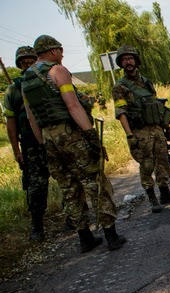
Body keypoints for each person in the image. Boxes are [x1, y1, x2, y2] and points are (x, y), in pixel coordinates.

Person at [22, 35, 126, 252]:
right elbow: (73, 106)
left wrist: (43, 143)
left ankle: (85, 238)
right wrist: (90, 136)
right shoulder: (57, 71)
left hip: (49, 139)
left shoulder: (27, 79)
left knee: (69, 188)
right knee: (94, 181)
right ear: (51, 51)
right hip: (70, 134)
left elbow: (32, 118)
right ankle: (111, 235)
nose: (62, 54)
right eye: (59, 50)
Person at [112, 45, 170, 213]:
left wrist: (167, 127)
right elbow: (121, 112)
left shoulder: (146, 82)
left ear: (136, 61)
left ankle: (165, 193)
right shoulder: (120, 87)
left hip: (156, 128)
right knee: (147, 164)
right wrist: (130, 135)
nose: (128, 62)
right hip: (139, 131)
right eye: (124, 60)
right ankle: (152, 199)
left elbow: (156, 106)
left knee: (162, 160)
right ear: (121, 64)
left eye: (130, 59)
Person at [3, 46, 48, 241]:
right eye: (24, 61)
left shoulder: (46, 80)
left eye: (31, 60)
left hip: (52, 138)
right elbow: (11, 124)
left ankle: (75, 217)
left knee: (68, 178)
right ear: (19, 64)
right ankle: (37, 225)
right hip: (30, 145)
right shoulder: (13, 90)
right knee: (36, 186)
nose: (27, 63)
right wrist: (16, 150)